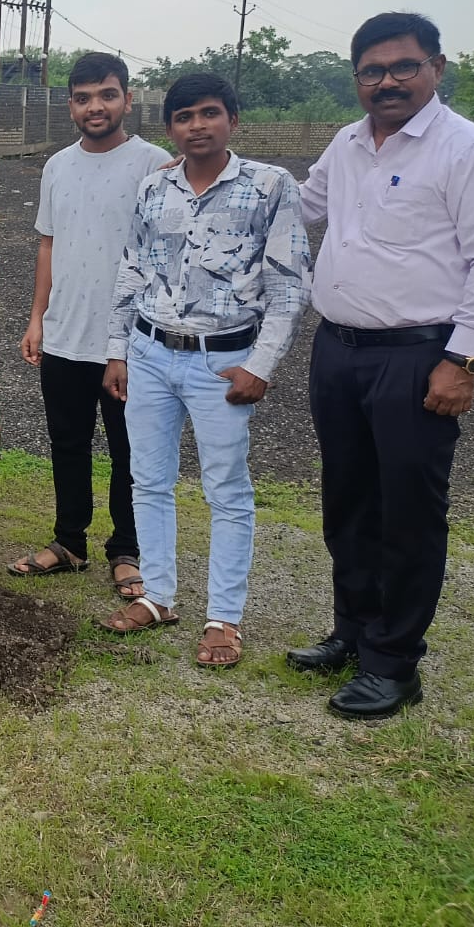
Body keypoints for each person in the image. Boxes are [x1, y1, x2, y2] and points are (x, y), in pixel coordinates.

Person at [286, 12, 474, 718]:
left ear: (436, 67)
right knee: (348, 500)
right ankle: (352, 631)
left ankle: (394, 662)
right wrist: (207, 168)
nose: (387, 82)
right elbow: (302, 205)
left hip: (418, 358)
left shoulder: (469, 151)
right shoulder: (348, 143)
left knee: (409, 512)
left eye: (403, 67)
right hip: (339, 350)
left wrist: (464, 359)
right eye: (372, 71)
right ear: (357, 80)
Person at [99, 74, 311, 669]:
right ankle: (159, 596)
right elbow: (131, 270)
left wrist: (261, 365)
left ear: (233, 120)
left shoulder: (269, 186)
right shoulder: (155, 188)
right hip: (149, 352)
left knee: (226, 488)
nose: (198, 125)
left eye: (210, 113)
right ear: (169, 127)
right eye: (185, 116)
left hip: (223, 361)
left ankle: (224, 618)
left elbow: (288, 286)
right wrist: (117, 350)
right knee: (148, 479)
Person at [9, 54, 171, 600]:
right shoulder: (57, 166)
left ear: (127, 97)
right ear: (70, 104)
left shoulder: (154, 164)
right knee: (68, 443)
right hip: (65, 334)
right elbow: (48, 244)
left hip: (130, 341)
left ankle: (127, 550)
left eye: (106, 95)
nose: (94, 107)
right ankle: (69, 541)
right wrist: (37, 319)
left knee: (131, 449)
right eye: (82, 97)